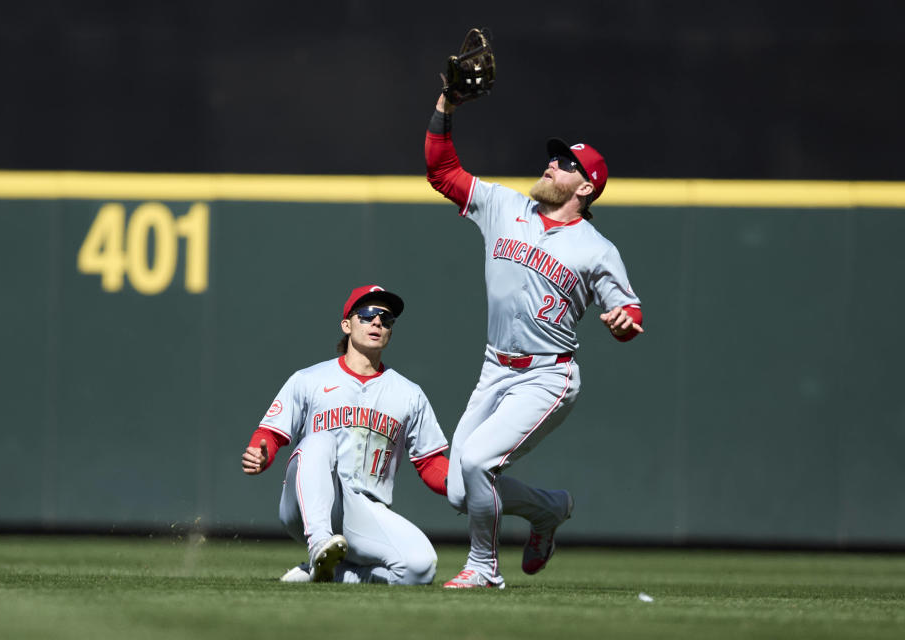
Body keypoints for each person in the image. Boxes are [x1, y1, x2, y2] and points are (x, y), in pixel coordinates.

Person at [424, 93, 644, 589]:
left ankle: (483, 569)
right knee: (461, 489)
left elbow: (628, 308)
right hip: (494, 367)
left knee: (479, 462)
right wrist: (446, 107)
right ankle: (549, 509)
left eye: (566, 164)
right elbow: (442, 172)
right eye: (553, 156)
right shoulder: (504, 205)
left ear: (586, 187)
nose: (552, 164)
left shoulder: (596, 249)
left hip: (547, 374)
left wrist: (624, 322)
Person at [241, 285, 450, 584]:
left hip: (364, 512)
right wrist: (261, 453)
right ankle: (318, 546)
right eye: (366, 315)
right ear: (347, 324)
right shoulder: (309, 379)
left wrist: (457, 482)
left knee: (421, 569)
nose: (377, 322)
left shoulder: (409, 394)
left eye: (386, 319)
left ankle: (333, 573)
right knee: (320, 439)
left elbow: (430, 462)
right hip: (307, 503)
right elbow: (271, 433)